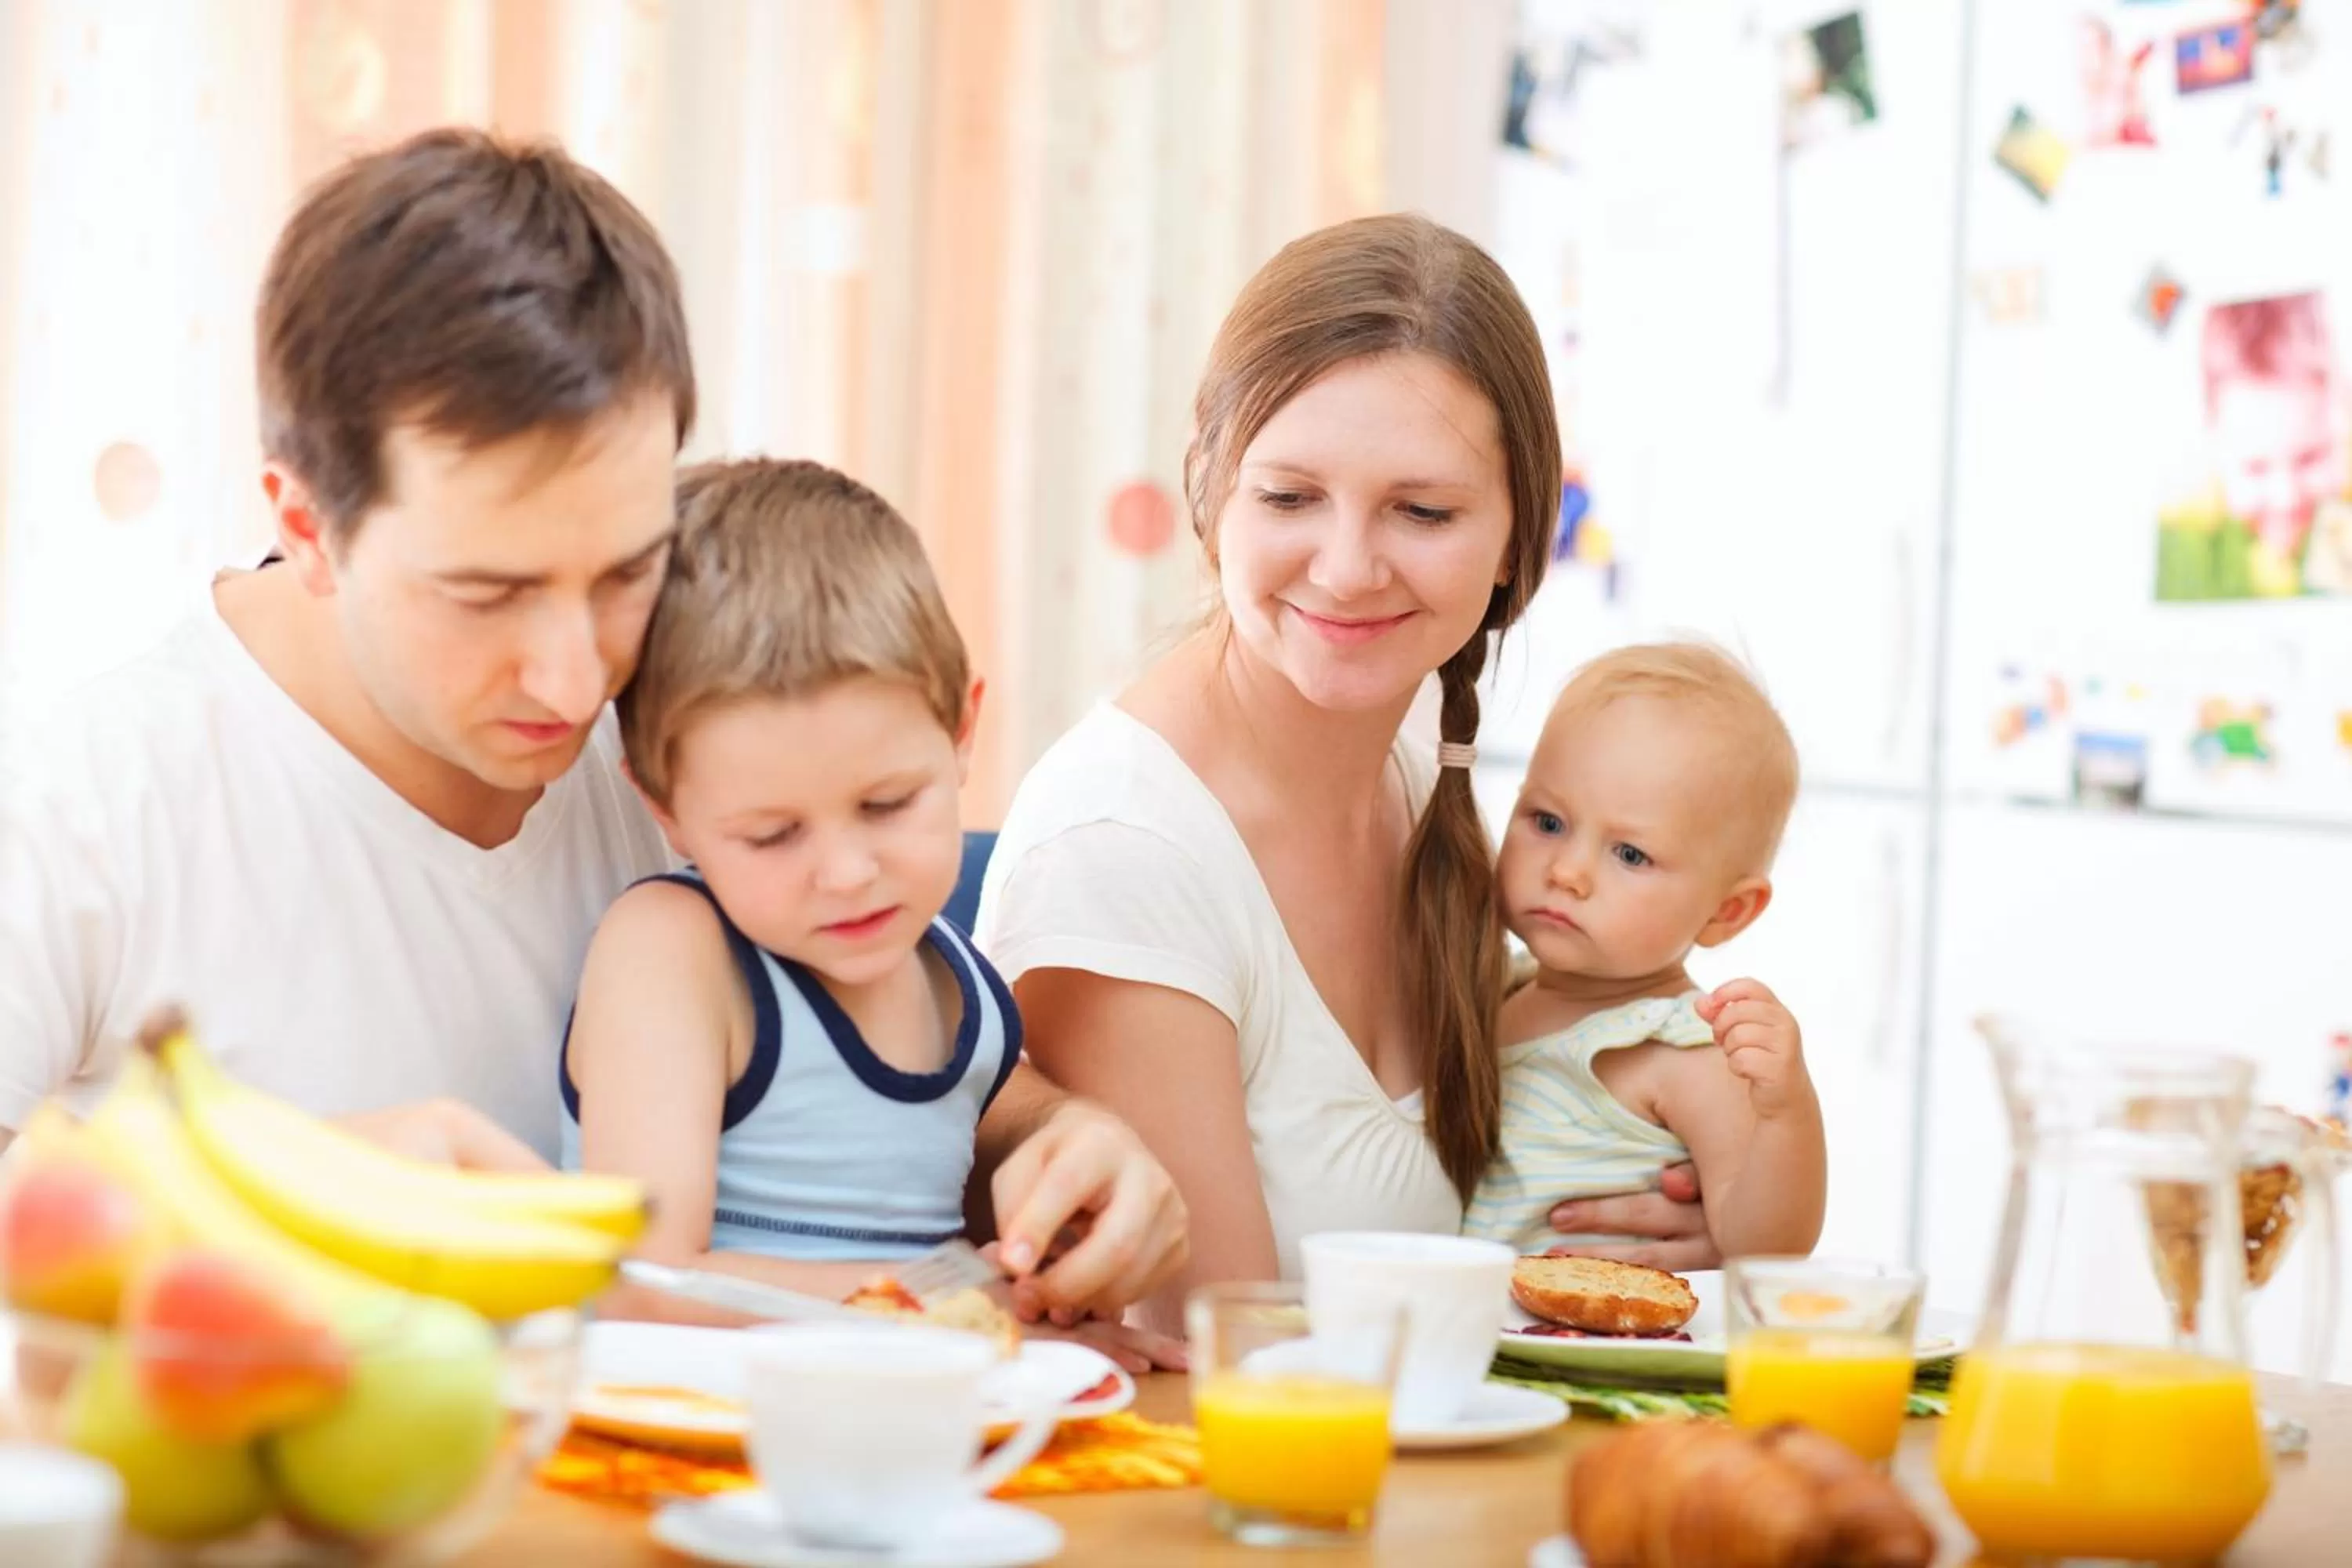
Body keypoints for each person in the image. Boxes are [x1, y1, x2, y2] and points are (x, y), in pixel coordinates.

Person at [0, 129, 1184, 1323]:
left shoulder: (693, 740)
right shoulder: (81, 806)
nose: (576, 683)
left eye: (626, 569)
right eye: (489, 593)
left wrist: (1064, 1139)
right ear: (307, 527)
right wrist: (281, 1198)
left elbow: (873, 1055)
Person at [977, 213, 1716, 1329]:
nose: (1347, 566)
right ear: (1210, 491)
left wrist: (1668, 1181)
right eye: (1288, 498)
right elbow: (1221, 1363)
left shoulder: (1422, 786)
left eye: (1422, 511)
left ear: (1525, 533)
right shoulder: (1124, 850)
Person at [560, 459, 1174, 1364]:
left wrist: (1052, 1289)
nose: (847, 872)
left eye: (889, 804)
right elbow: (645, 1283)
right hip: (691, 1449)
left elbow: (1014, 1181)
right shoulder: (676, 952)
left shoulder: (960, 982)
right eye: (771, 834)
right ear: (665, 808)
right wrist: (966, 1303)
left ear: (962, 730)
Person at [1461, 643, 1824, 1260]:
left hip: (1605, 1353)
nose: (1568, 871)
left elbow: (1763, 1249)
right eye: (1548, 821)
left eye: (1630, 854)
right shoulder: (1494, 990)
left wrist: (1786, 1112)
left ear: (1725, 912)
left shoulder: (1686, 1048)